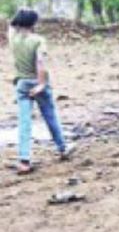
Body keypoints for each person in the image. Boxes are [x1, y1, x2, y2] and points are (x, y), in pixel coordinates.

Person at [9, 9, 72, 174]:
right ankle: (62, 148)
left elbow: (10, 27)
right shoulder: (38, 41)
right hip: (36, 81)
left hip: (21, 84)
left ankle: (24, 160)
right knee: (50, 116)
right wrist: (42, 84)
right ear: (34, 23)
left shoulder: (13, 39)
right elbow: (40, 62)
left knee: (24, 122)